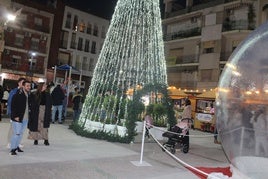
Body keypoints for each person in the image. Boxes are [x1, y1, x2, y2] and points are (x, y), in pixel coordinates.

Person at [10, 80, 31, 155]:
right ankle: (12, 149)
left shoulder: (28, 94)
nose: (29, 87)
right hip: (18, 118)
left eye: (29, 86)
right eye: (27, 86)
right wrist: (15, 116)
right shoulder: (18, 94)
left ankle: (17, 146)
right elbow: (13, 106)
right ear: (23, 86)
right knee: (16, 133)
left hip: (25, 118)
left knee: (21, 133)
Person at [6, 77, 26, 148]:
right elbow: (10, 102)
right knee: (13, 129)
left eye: (24, 83)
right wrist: (12, 114)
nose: (23, 84)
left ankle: (18, 142)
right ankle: (9, 142)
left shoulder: (25, 91)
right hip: (14, 114)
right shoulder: (14, 91)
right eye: (22, 83)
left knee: (20, 129)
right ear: (19, 83)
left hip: (22, 114)